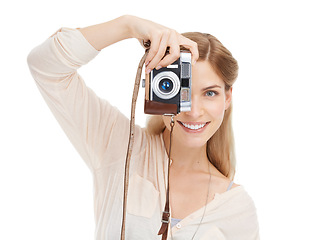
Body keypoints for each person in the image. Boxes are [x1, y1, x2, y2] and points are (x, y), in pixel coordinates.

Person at [27, 15, 259, 240]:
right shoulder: (119, 147)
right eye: (181, 91)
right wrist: (127, 25)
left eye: (210, 93)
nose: (194, 110)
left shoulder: (237, 209)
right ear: (157, 88)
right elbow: (46, 66)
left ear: (227, 98)